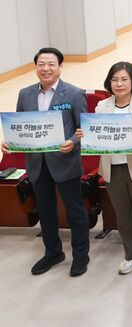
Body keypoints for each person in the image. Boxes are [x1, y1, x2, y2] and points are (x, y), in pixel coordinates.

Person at [3, 48, 89, 276]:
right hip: (37, 163)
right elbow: (21, 126)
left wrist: (72, 142)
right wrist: (10, 142)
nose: (46, 68)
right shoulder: (25, 94)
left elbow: (83, 128)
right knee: (45, 210)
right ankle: (53, 252)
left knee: (75, 211)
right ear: (36, 67)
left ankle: (81, 255)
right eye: (41, 64)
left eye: (51, 64)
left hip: (65, 161)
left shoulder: (73, 94)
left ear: (60, 67)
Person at [75, 62, 132, 275]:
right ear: (109, 82)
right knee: (123, 215)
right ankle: (131, 254)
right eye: (114, 80)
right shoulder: (101, 106)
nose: (119, 84)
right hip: (112, 167)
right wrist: (86, 135)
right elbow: (97, 136)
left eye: (124, 79)